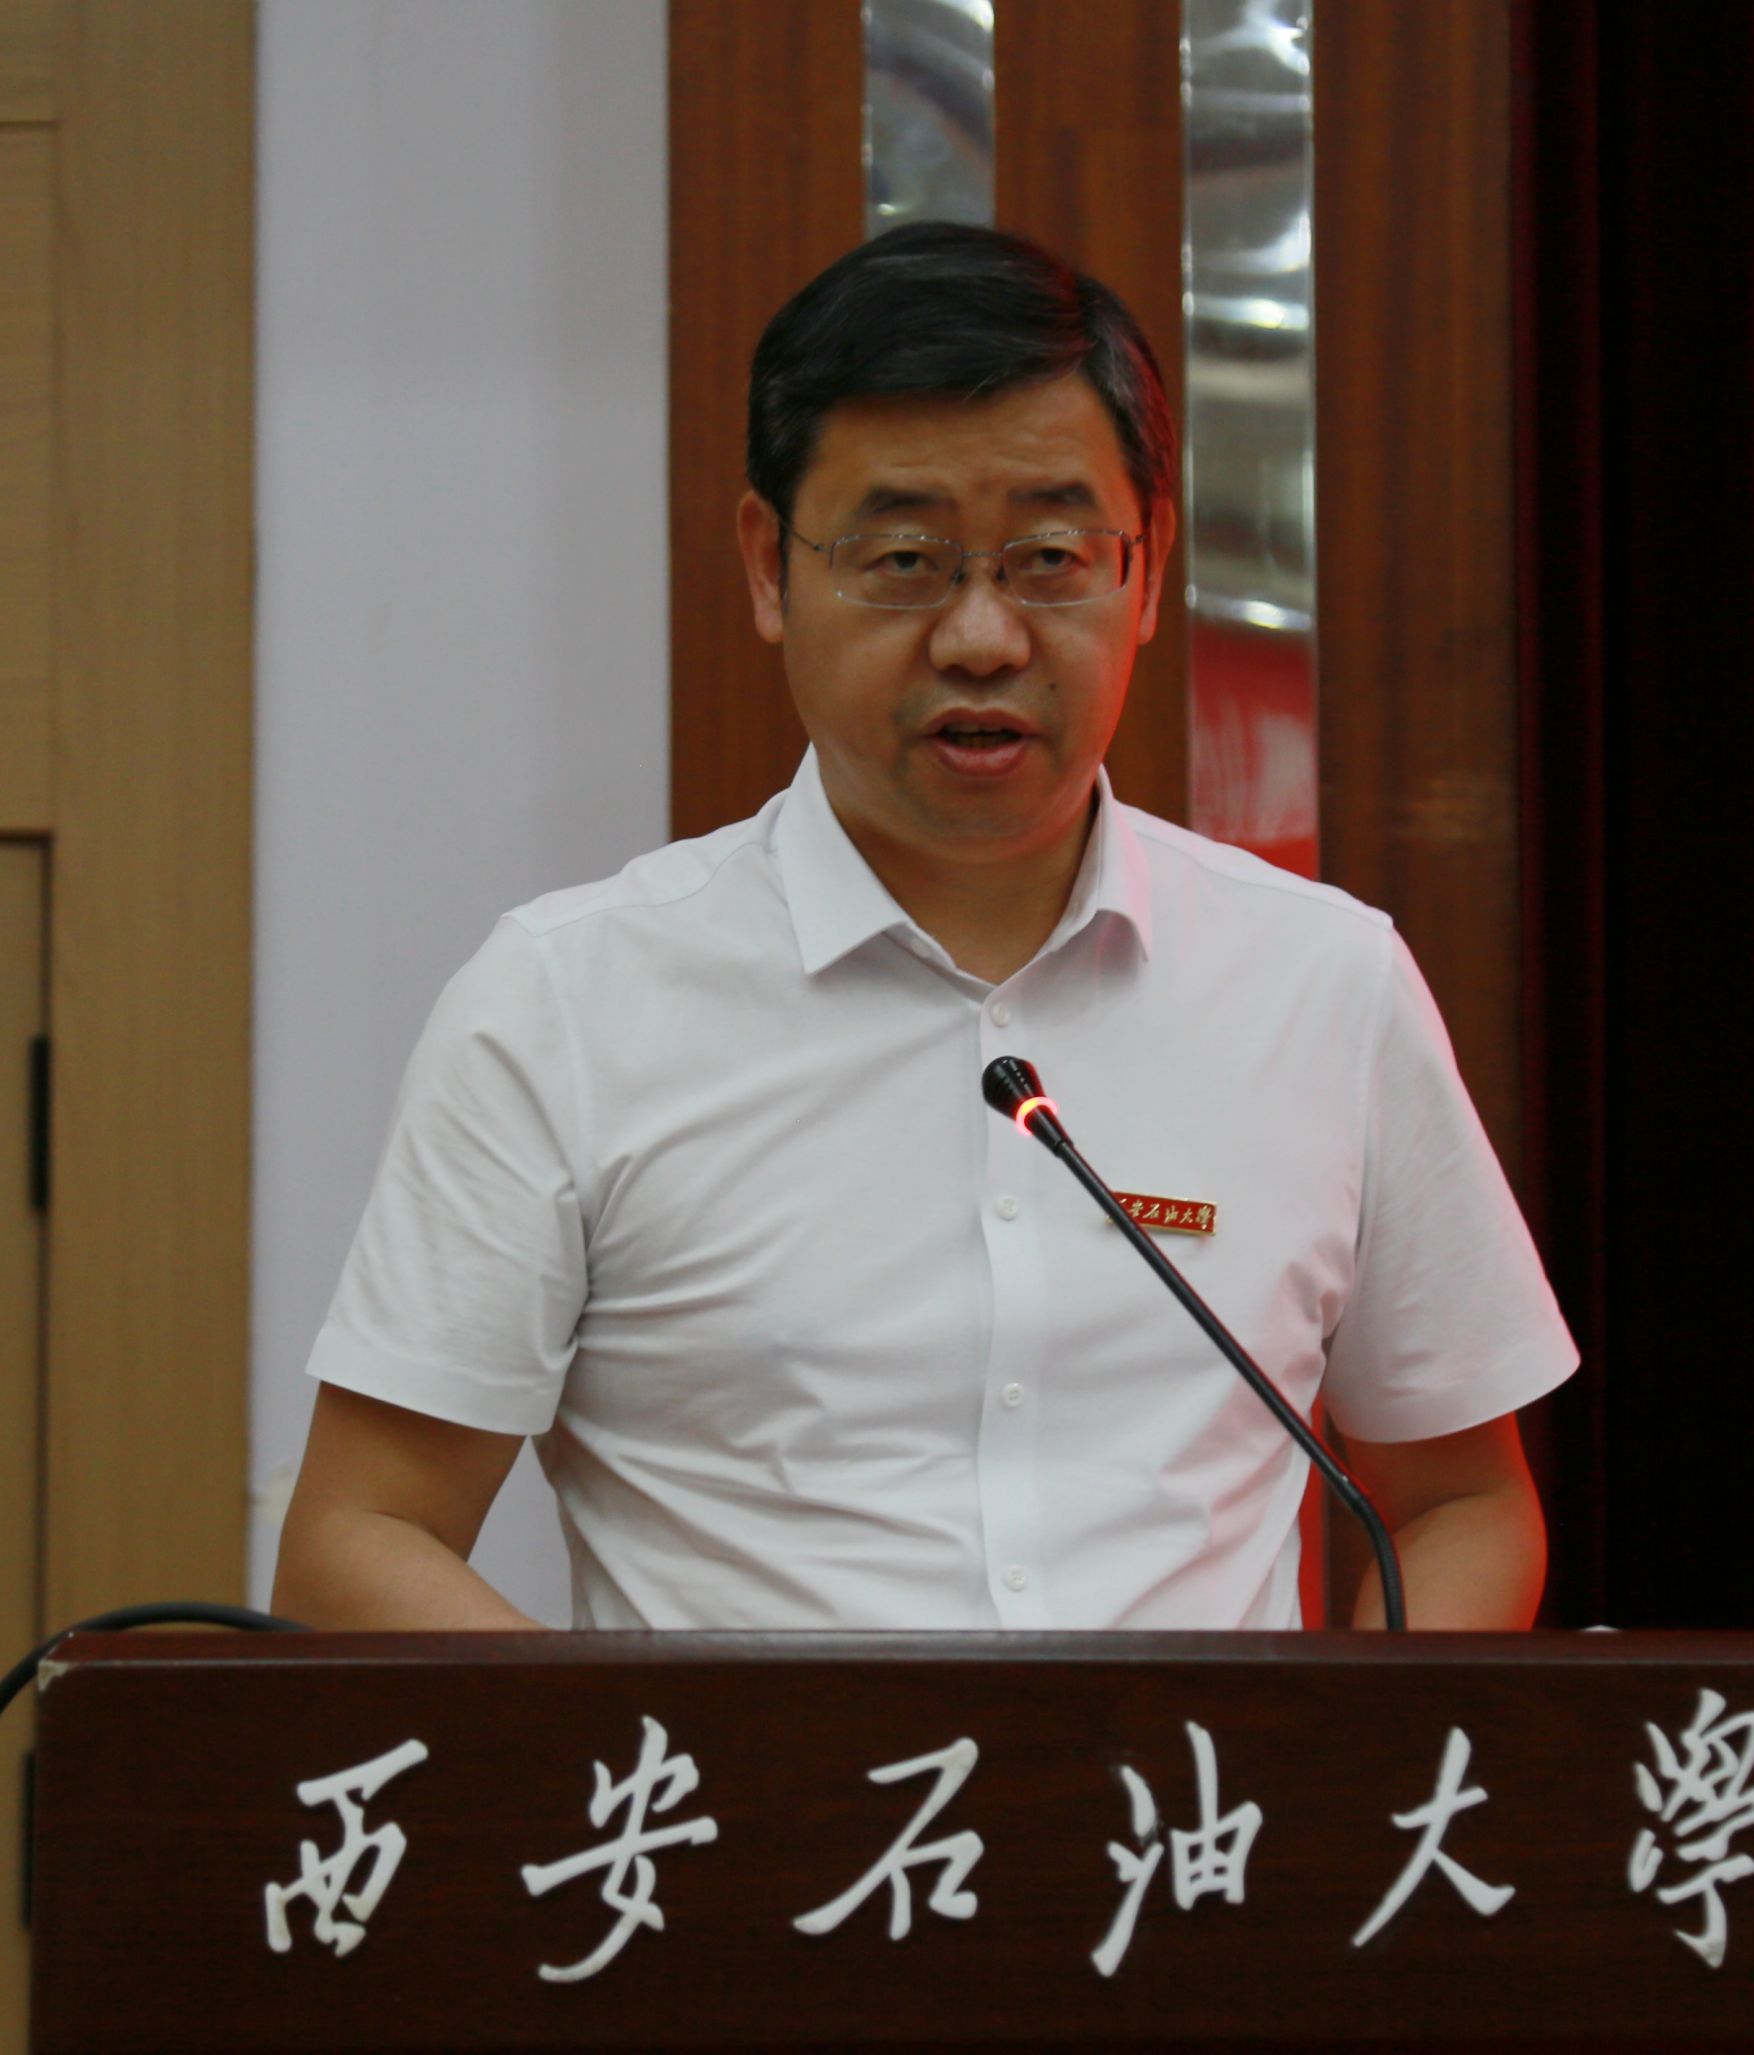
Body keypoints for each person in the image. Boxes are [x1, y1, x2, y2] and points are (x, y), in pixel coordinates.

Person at [272, 222, 1577, 1636]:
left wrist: (1331, 1759)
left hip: (1189, 1789)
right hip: (757, 1791)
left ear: (1146, 572)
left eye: (1050, 556)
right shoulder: (566, 1006)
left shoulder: (1326, 986)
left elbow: (1459, 1503)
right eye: (903, 558)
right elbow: (363, 1533)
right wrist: (629, 1756)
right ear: (769, 568)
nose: (981, 638)